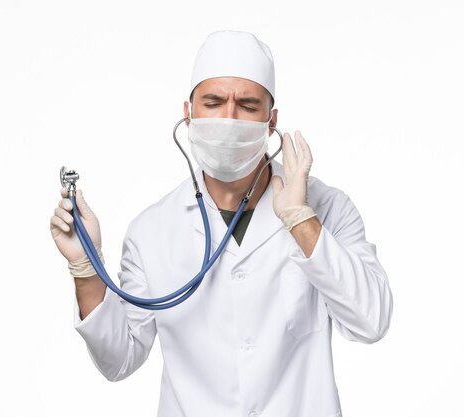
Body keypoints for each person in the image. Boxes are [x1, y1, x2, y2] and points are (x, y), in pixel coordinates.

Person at [50, 30, 393, 417]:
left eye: (247, 105)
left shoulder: (328, 208)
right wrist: (85, 268)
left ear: (271, 120)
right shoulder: (152, 231)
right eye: (213, 103)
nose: (229, 119)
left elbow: (371, 321)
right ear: (189, 114)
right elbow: (118, 360)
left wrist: (302, 221)